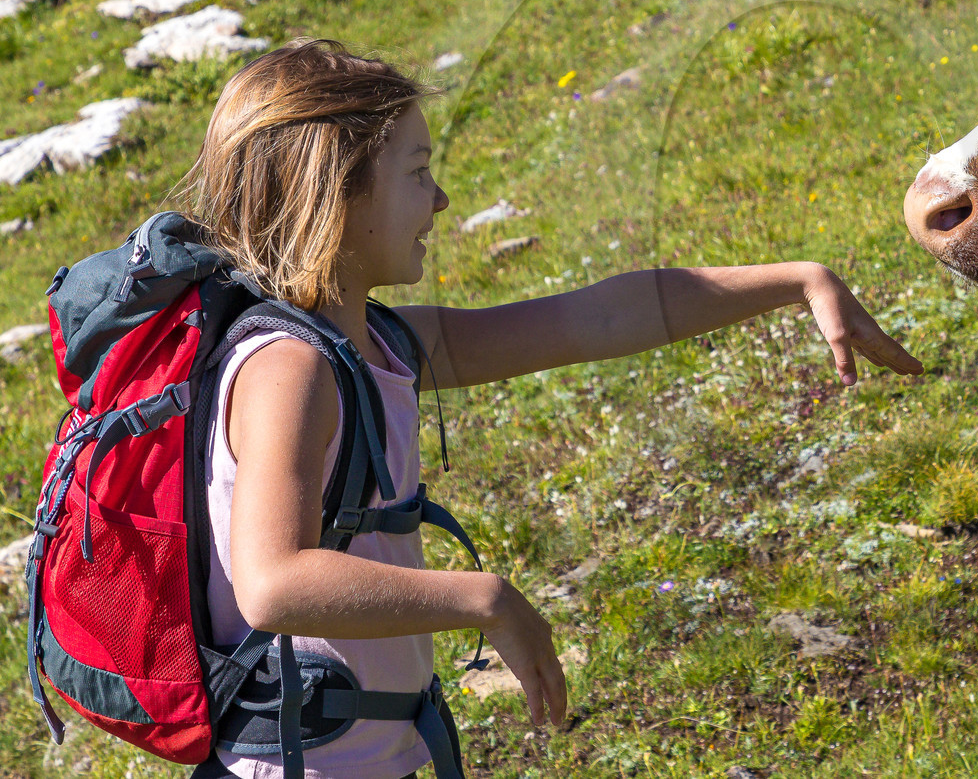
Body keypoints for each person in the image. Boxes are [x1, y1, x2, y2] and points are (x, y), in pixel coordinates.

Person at [168, 38, 924, 779]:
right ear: (335, 192)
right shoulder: (288, 369)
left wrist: (795, 280)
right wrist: (486, 599)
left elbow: (596, 317)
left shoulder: (379, 343)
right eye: (419, 173)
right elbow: (273, 584)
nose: (441, 199)